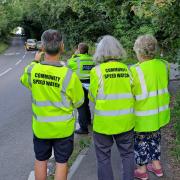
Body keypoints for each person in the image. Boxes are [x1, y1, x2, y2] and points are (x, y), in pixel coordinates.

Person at [20, 29, 84, 180]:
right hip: (63, 129)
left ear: (42, 47)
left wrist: (35, 61)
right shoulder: (69, 75)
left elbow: (24, 79)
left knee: (41, 159)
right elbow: (79, 101)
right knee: (61, 162)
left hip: (41, 128)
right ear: (62, 47)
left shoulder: (33, 70)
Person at [89, 35, 135, 180]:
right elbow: (133, 92)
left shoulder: (97, 71)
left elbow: (92, 96)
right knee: (127, 155)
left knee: (103, 158)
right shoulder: (127, 70)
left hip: (104, 123)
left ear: (100, 51)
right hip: (126, 121)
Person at [131, 35, 170, 180]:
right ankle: (157, 167)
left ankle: (142, 171)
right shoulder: (164, 65)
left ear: (139, 52)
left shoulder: (135, 70)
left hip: (142, 116)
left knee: (141, 143)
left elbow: (132, 95)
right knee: (155, 139)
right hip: (160, 113)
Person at [67, 43, 95, 134]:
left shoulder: (75, 60)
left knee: (81, 106)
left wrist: (74, 55)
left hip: (80, 85)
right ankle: (88, 121)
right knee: (86, 103)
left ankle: (83, 128)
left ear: (78, 50)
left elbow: (68, 64)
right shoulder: (92, 59)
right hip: (91, 85)